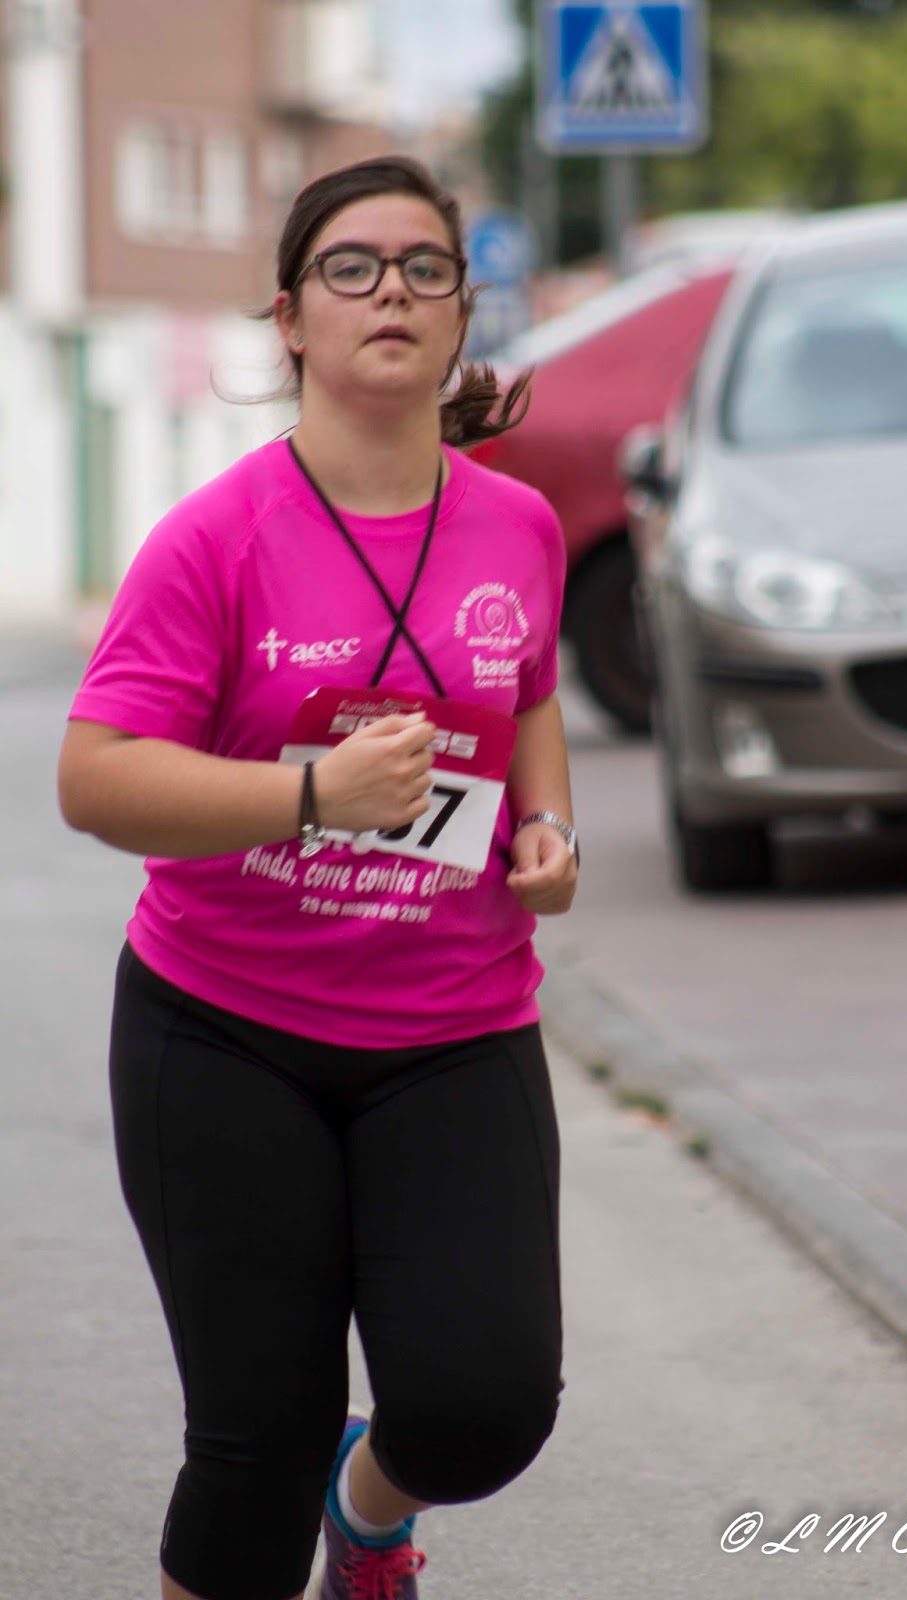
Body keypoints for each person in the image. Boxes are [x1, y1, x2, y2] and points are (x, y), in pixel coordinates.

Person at [57, 155, 578, 1600]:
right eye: (352, 267)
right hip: (225, 1034)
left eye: (425, 267)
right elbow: (94, 777)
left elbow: (529, 692)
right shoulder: (213, 540)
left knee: (484, 1410)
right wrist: (310, 794)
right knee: (251, 1454)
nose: (391, 291)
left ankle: (370, 1510)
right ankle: (303, 1494)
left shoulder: (517, 527)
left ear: (462, 312)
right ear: (290, 318)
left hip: (457, 1031)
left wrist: (548, 831)